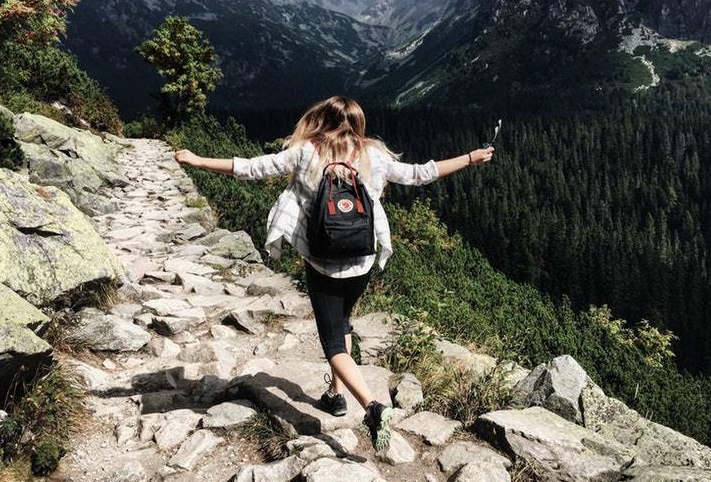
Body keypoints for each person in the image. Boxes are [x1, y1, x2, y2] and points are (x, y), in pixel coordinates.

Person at [174, 96, 494, 450]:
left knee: (331, 341)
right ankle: (334, 394)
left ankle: (372, 408)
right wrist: (470, 157)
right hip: (361, 260)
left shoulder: (305, 152)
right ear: (358, 124)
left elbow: (252, 167)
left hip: (323, 263)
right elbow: (421, 174)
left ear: (322, 120)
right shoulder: (374, 155)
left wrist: (197, 160)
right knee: (343, 322)